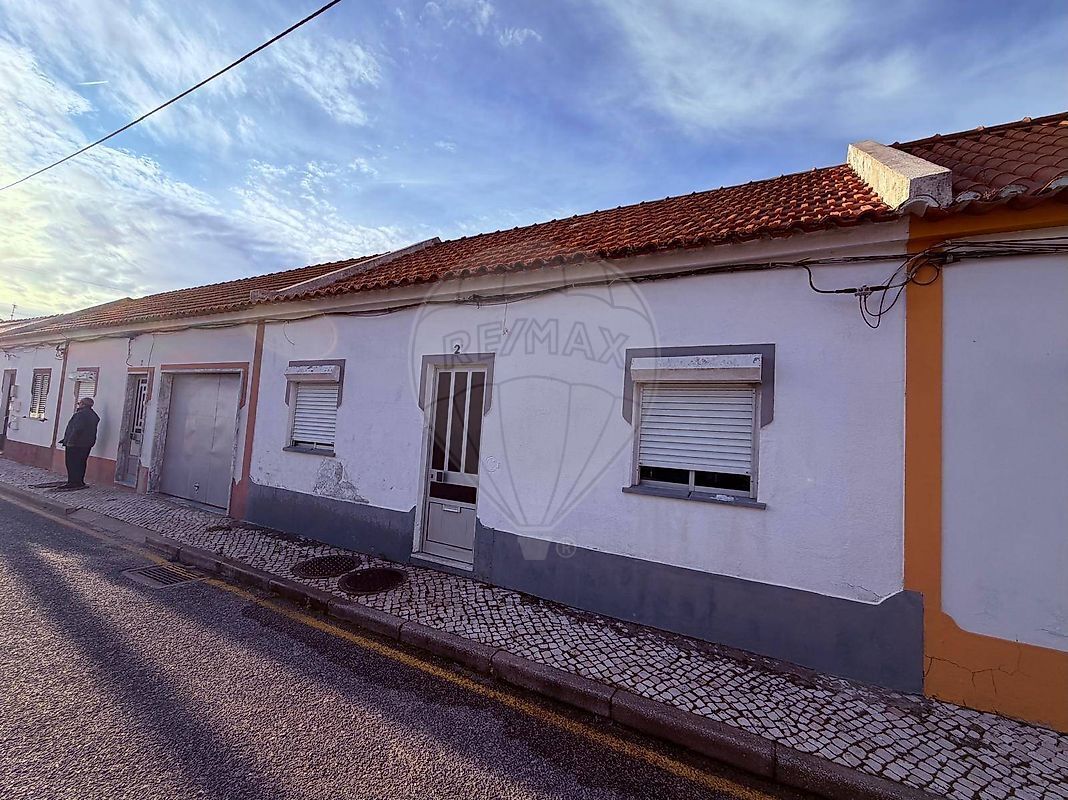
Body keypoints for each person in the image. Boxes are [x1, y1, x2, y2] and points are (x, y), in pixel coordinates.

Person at [58, 396, 100, 489]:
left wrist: (70, 441)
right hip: (87, 443)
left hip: (76, 444)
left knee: (72, 463)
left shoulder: (80, 414)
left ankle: (72, 482)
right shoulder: (94, 415)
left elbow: (77, 429)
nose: (78, 405)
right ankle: (79, 481)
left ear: (83, 404)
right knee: (81, 462)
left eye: (79, 403)